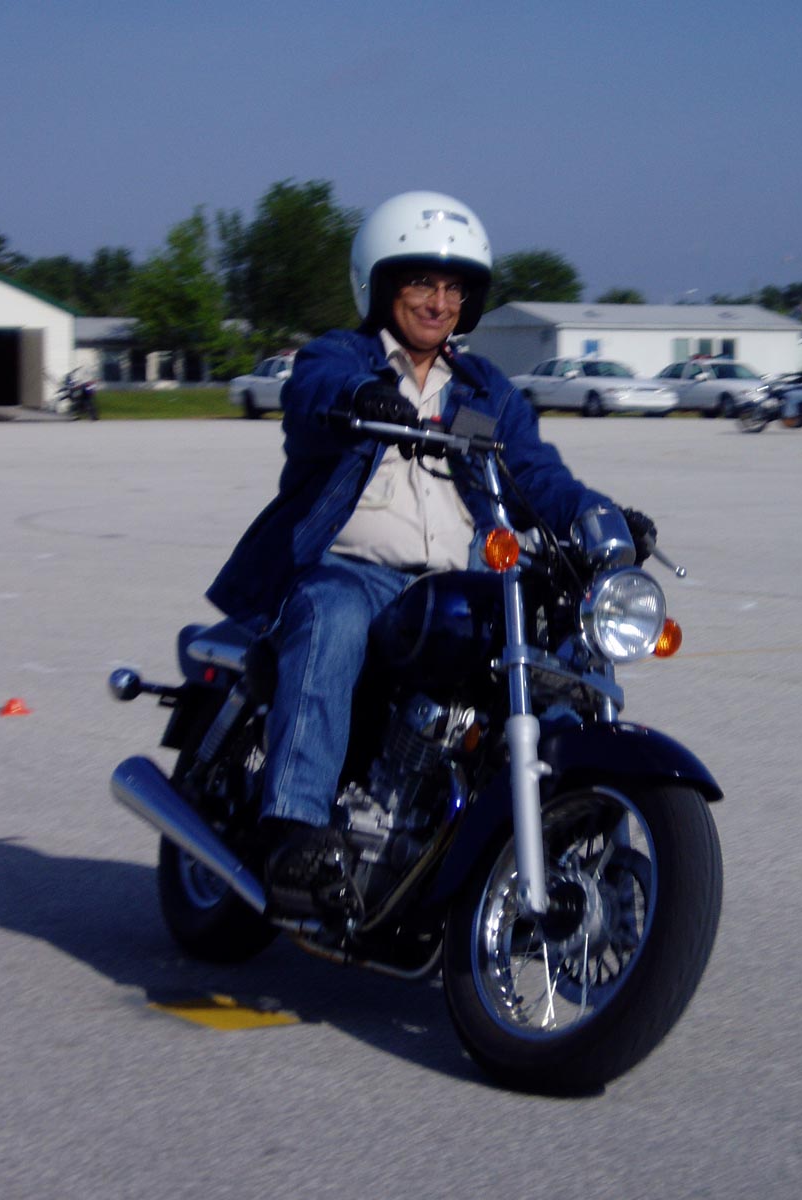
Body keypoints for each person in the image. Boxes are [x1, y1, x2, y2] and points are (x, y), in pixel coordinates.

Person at [206, 190, 654, 912]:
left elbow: (536, 475)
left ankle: (570, 836)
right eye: (421, 283)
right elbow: (314, 391)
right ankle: (293, 829)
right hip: (348, 572)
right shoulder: (341, 358)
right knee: (331, 618)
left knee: (564, 643)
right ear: (382, 284)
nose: (439, 302)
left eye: (453, 289)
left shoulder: (482, 391)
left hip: (459, 581)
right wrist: (361, 397)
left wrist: (600, 518)